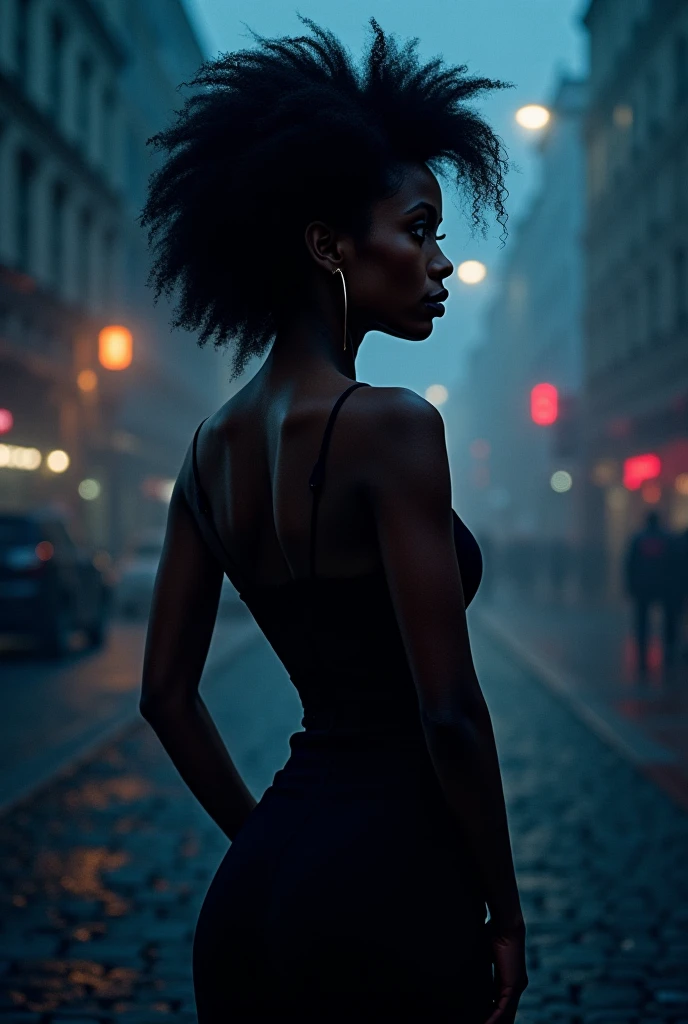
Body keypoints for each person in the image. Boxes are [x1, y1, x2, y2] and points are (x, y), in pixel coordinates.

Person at [139, 18, 526, 1023]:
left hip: (255, 891)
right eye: (419, 226)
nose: (439, 261)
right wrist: (506, 909)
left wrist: (267, 841)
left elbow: (165, 697)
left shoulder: (204, 452)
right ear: (326, 245)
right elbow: (447, 711)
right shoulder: (393, 428)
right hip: (390, 887)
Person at [623, 510, 679, 676]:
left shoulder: (638, 539)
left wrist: (630, 585)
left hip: (643, 587)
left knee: (642, 619)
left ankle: (642, 649)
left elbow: (630, 564)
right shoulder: (667, 539)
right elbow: (673, 563)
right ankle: (669, 649)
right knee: (668, 620)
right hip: (663, 586)